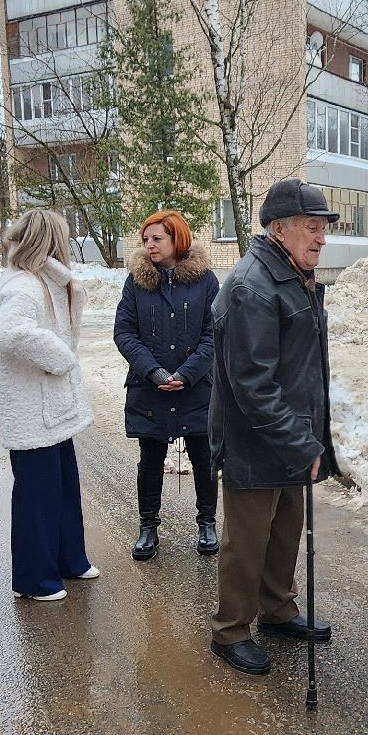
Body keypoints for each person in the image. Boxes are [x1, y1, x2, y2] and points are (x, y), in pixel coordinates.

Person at [206, 179, 337, 676]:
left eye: (324, 228)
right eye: (312, 227)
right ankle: (230, 629)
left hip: (288, 435)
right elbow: (252, 385)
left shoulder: (290, 274)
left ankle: (277, 610)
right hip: (255, 437)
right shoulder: (251, 286)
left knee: (284, 531)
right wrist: (300, 440)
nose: (321, 238)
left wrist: (306, 437)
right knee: (247, 540)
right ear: (278, 230)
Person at [0, 209, 97, 602]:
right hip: (31, 410)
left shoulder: (43, 280)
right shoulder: (23, 285)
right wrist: (61, 358)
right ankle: (35, 580)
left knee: (64, 486)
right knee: (38, 495)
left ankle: (71, 559)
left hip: (50, 409)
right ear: (51, 240)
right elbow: (12, 334)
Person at [113, 209, 220, 562]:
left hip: (196, 386)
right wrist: (154, 371)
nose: (149, 245)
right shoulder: (137, 281)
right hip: (150, 388)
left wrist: (187, 373)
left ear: (177, 239)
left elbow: (214, 333)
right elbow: (124, 333)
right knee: (151, 459)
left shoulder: (205, 281)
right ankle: (148, 526)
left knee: (203, 458)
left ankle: (206, 522)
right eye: (146, 239)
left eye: (157, 238)